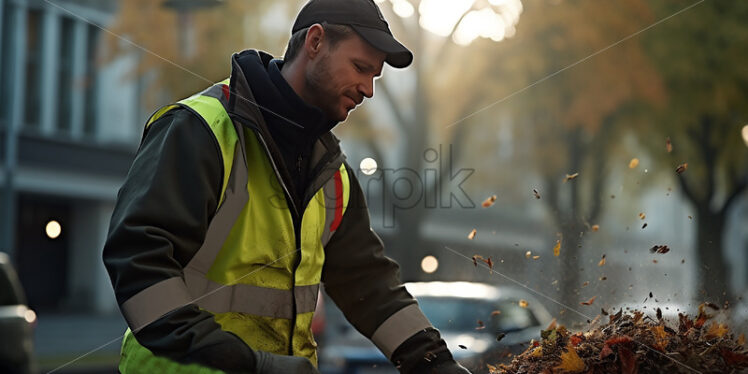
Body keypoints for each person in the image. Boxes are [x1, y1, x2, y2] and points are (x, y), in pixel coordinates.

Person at [103, 0, 472, 373]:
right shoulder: (201, 131)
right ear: (315, 43)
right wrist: (249, 364)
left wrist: (434, 363)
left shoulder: (333, 175)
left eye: (375, 77)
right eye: (361, 68)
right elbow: (139, 267)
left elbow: (368, 282)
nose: (368, 89)